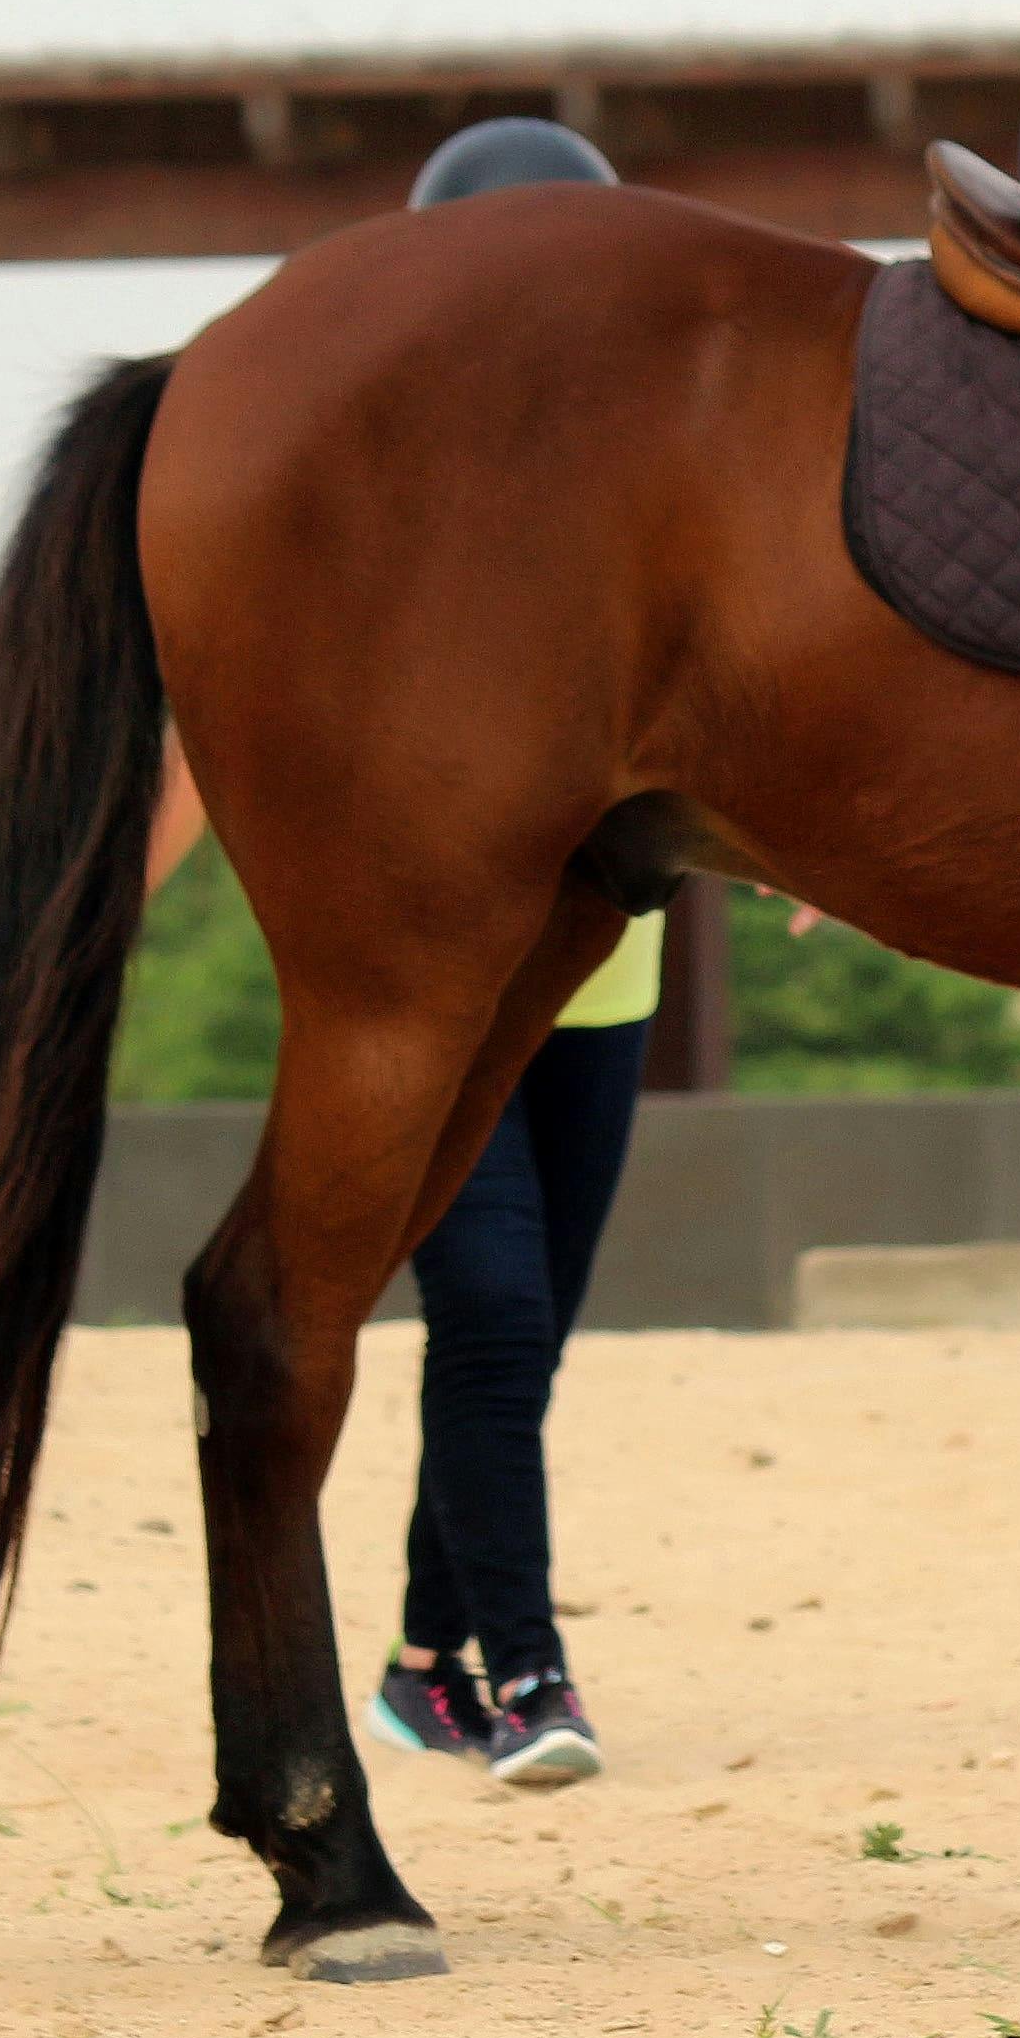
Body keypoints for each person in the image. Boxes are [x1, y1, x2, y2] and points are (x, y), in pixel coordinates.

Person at [347, 112, 652, 1784]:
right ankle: (529, 1676)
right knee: (486, 1316)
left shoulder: (634, 495)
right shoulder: (376, 489)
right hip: (429, 988)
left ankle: (417, 1663)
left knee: (518, 1340)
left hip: (605, 977)